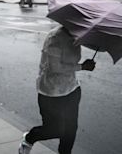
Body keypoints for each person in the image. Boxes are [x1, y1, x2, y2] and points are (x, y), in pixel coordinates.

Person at [18, 26, 96, 154]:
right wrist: (82, 66)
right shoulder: (54, 38)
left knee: (70, 130)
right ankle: (29, 137)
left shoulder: (77, 36)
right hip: (50, 92)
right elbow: (55, 67)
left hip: (71, 89)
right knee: (55, 130)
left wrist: (86, 64)